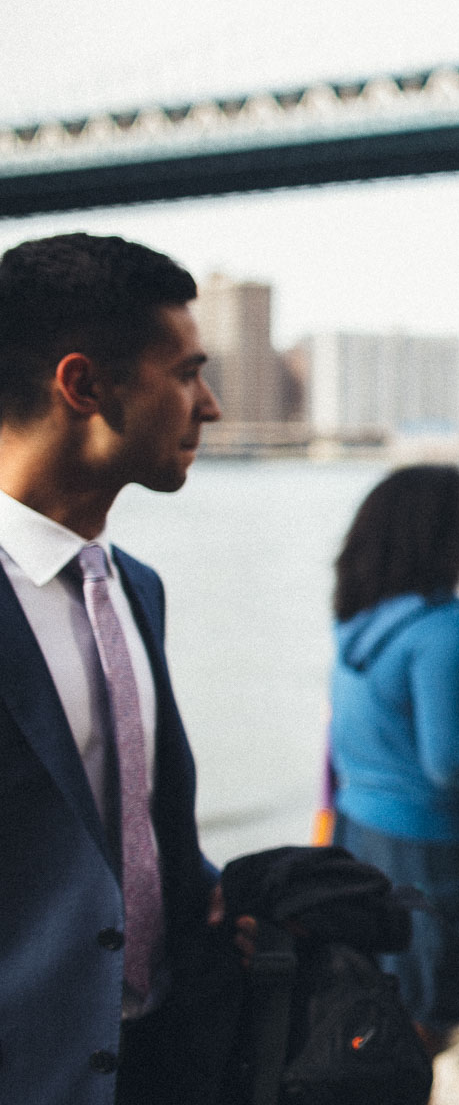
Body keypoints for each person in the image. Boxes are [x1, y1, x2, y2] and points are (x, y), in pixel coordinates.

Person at [0, 233, 225, 1105]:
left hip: (157, 1064)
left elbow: (126, 827)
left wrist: (213, 898)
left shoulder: (136, 588)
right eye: (185, 372)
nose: (209, 406)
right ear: (84, 386)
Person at [328, 464, 459, 1049]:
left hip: (362, 834)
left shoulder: (363, 619)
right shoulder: (443, 631)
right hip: (433, 856)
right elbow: (456, 761)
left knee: (382, 1007)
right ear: (435, 529)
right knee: (427, 1017)